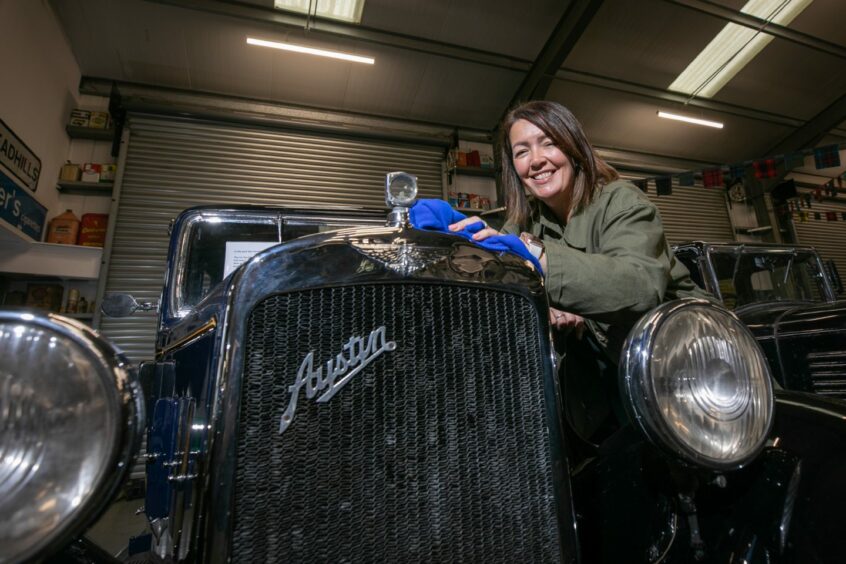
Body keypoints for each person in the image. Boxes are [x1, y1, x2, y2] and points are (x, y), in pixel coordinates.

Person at [449, 100, 712, 440]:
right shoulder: (526, 221)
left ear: (573, 147)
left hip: (691, 363)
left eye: (549, 142)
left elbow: (639, 287)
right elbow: (503, 282)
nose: (536, 160)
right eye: (521, 151)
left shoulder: (621, 201)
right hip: (614, 373)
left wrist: (540, 262)